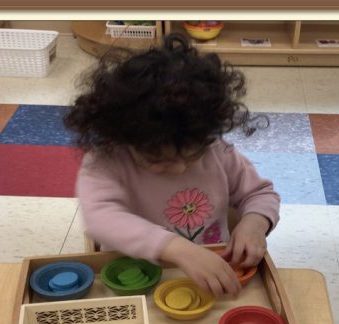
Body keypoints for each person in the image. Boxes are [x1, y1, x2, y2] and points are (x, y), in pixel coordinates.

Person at [64, 33, 280, 297]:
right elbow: (99, 217)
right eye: (157, 160)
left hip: (209, 272)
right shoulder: (107, 159)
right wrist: (175, 248)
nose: (179, 169)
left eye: (192, 155)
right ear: (124, 138)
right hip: (134, 278)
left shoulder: (214, 148)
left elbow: (259, 194)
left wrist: (255, 224)